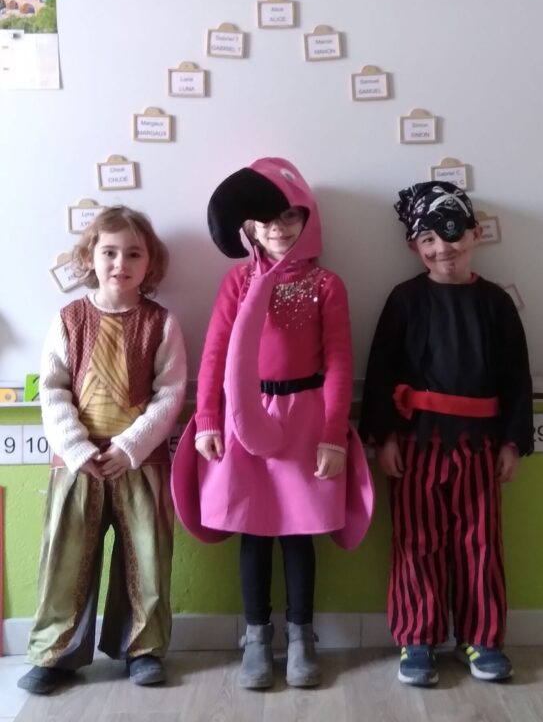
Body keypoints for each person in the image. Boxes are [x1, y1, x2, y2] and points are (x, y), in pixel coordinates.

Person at [171, 157, 373, 690]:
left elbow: (339, 361)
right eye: (264, 219)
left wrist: (333, 433)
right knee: (254, 531)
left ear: (307, 217)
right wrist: (208, 417)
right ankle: (256, 637)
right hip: (242, 419)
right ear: (247, 226)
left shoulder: (327, 285)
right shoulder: (237, 282)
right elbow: (215, 353)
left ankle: (301, 636)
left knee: (300, 531)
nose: (277, 228)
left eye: (288, 216)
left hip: (305, 422)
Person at [359, 181, 533, 687]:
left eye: (453, 234)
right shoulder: (404, 301)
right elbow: (381, 370)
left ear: (475, 234)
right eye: (429, 239)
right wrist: (385, 437)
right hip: (416, 446)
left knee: (480, 543)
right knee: (417, 542)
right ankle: (418, 637)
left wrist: (512, 442)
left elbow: (516, 378)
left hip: (479, 447)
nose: (443, 248)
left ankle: (482, 637)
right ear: (414, 245)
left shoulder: (496, 304)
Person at [18, 206, 187, 696]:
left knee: (147, 559)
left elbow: (171, 392)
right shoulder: (69, 320)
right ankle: (55, 654)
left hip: (141, 463)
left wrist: (130, 445)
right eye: (109, 252)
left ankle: (143, 649)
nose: (120, 263)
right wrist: (76, 447)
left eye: (133, 253)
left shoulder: (161, 323)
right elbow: (53, 390)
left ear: (150, 262)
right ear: (90, 257)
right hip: (78, 466)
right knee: (65, 560)